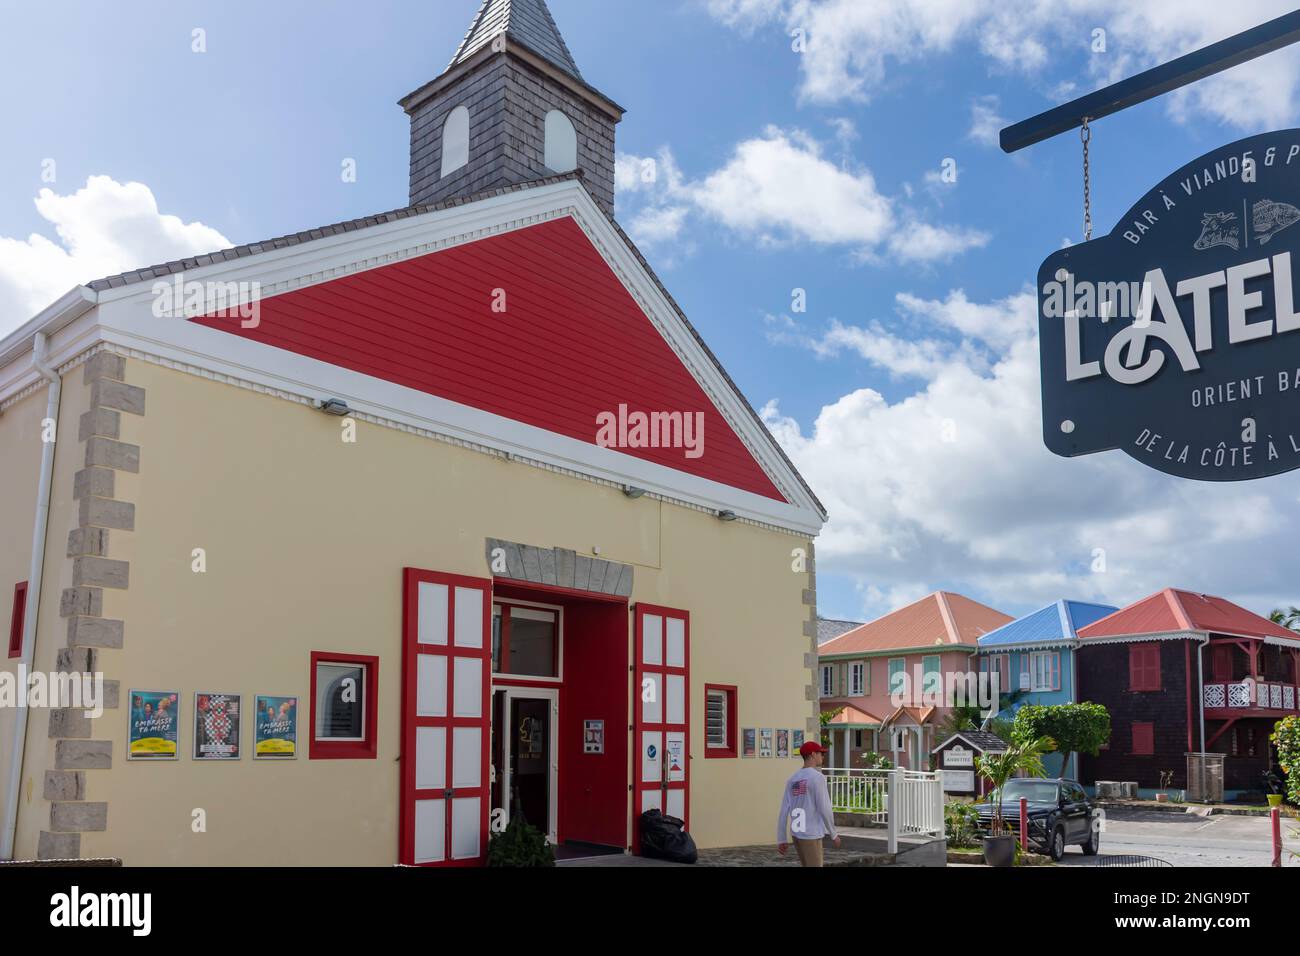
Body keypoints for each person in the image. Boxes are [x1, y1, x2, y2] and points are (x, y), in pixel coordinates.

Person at [777, 740, 841, 866]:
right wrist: (833, 833)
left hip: (797, 833)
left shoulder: (792, 779)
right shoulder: (817, 778)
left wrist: (782, 838)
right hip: (811, 833)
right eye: (820, 753)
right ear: (812, 754)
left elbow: (784, 810)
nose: (822, 756)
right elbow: (824, 808)